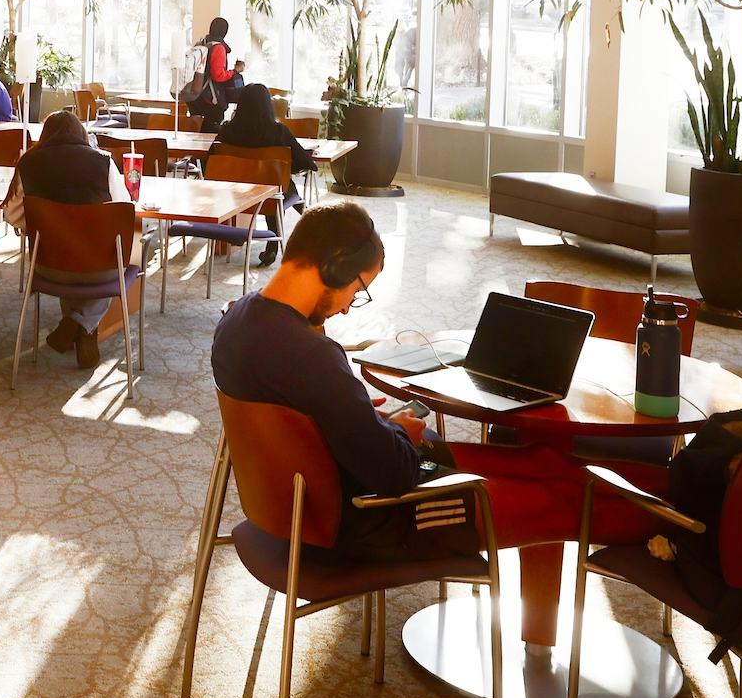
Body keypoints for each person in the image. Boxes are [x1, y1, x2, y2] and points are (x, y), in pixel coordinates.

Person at [211, 201, 669, 563]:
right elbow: (394, 473)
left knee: (539, 459)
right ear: (334, 267)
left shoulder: (237, 322)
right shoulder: (312, 355)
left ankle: (676, 487)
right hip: (372, 518)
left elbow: (303, 418)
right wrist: (396, 432)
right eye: (358, 289)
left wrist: (370, 424)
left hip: (328, 489)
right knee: (563, 500)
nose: (350, 306)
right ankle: (684, 522)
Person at [3, 110, 140, 368]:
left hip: (48, 265)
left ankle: (76, 325)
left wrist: (44, 227)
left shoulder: (28, 162)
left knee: (65, 250)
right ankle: (81, 324)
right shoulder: (103, 160)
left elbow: (12, 214)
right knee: (129, 251)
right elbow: (122, 211)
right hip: (98, 268)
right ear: (82, 134)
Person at [212, 82, 317, 266]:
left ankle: (312, 220)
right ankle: (305, 227)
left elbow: (210, 160)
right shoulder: (278, 131)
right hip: (269, 199)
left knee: (272, 184)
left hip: (232, 197)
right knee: (276, 184)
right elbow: (307, 164)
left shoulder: (227, 131)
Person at [186, 18, 237, 131]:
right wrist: (234, 72)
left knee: (196, 131)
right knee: (210, 134)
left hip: (195, 95)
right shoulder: (218, 47)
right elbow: (218, 76)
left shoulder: (200, 43)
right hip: (210, 98)